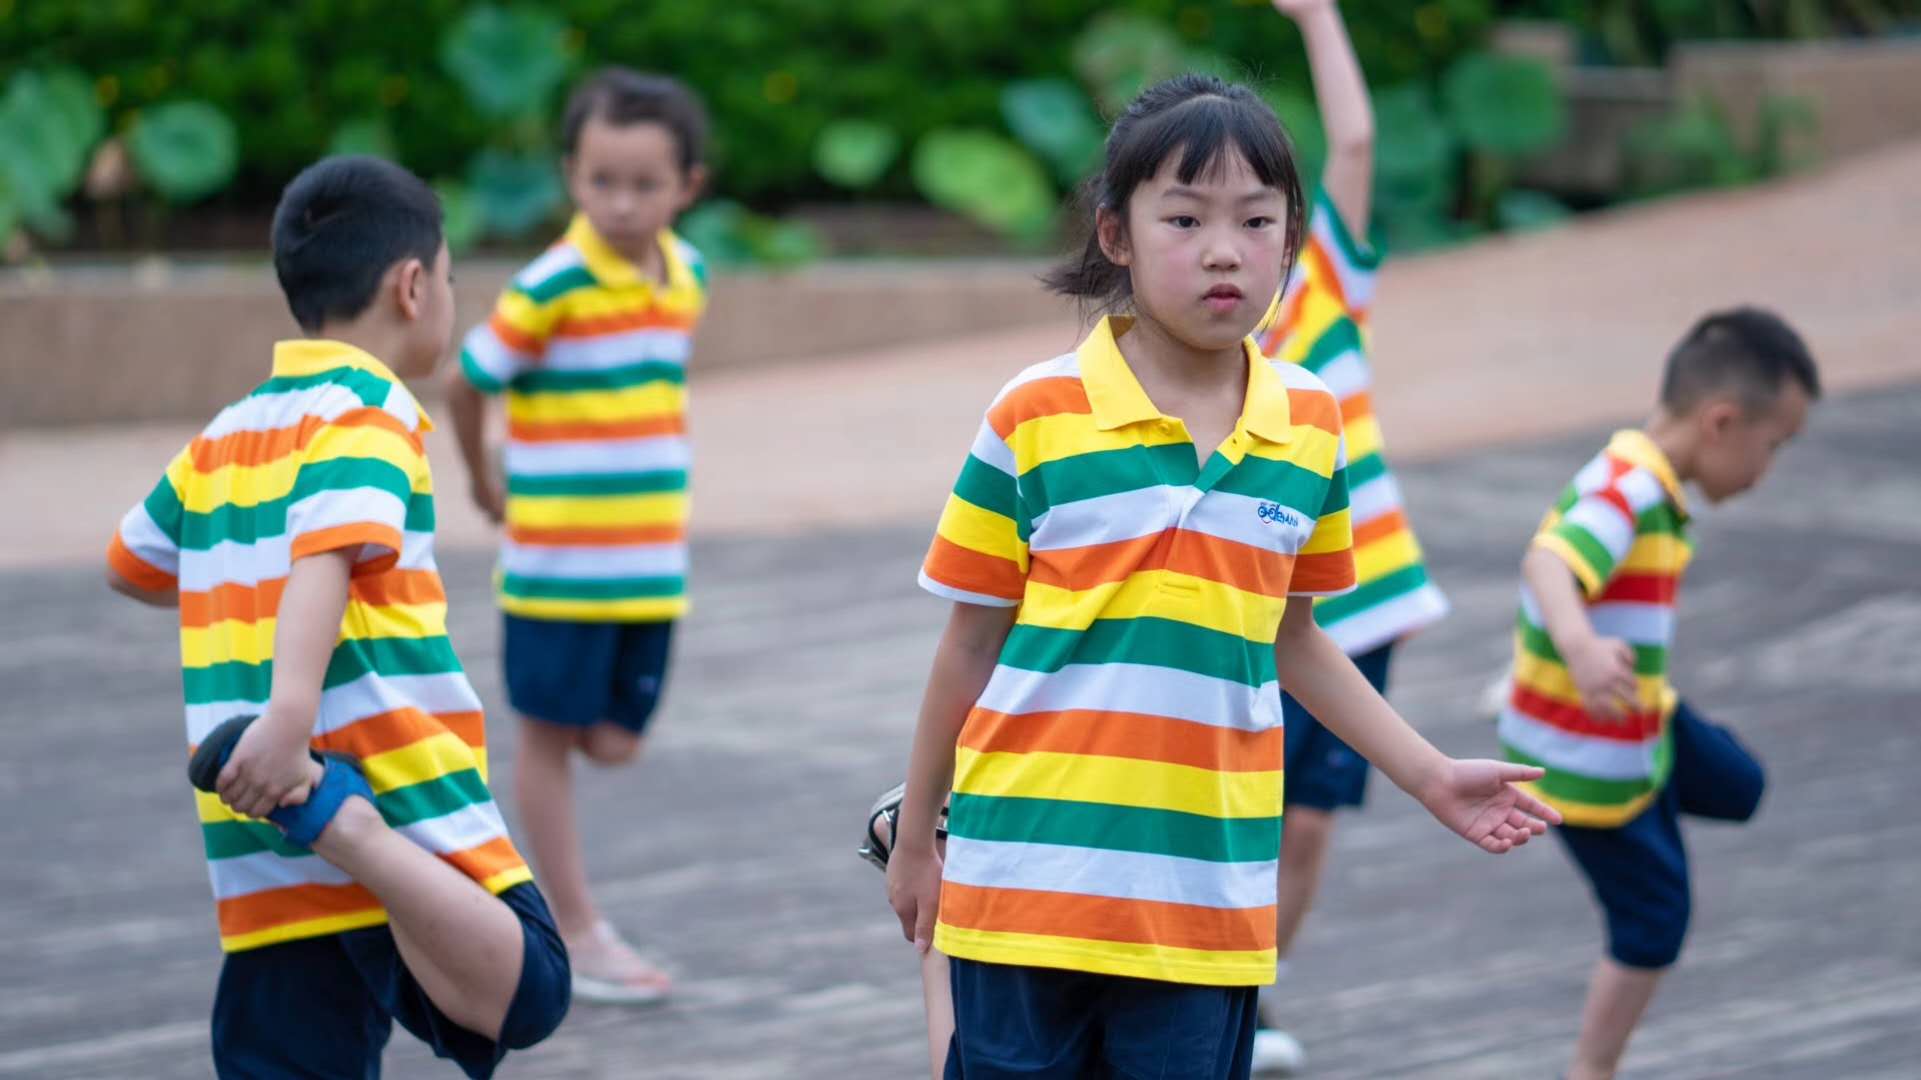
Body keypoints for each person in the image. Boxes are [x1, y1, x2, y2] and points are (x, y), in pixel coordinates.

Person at [886, 71, 1559, 1079]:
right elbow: (968, 644)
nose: (1222, 250)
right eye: (1184, 218)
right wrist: (915, 839)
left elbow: (1294, 638)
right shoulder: (1034, 414)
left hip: (1204, 902)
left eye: (1254, 220)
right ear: (1114, 235)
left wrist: (1429, 777)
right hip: (1023, 880)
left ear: (1289, 243)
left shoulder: (1309, 425)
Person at [105, 155, 570, 1078]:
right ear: (412, 286)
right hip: (376, 783)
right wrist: (288, 726)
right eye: (449, 281)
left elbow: (134, 563)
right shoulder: (368, 413)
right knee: (531, 988)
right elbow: (327, 552)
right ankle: (344, 826)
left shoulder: (229, 430)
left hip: (251, 814)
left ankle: (328, 818)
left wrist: (241, 592)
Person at [1498, 307, 1819, 1080]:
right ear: (1721, 423)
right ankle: (1590, 1069)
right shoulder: (1629, 490)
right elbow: (1547, 562)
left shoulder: (1640, 476)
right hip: (1587, 758)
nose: (1766, 470)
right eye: (1772, 447)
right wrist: (1579, 647)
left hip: (1641, 716)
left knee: (1741, 786)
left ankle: (1663, 786)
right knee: (1656, 918)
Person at [446, 68, 709, 1004]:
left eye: (644, 184)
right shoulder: (550, 284)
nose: (621, 203)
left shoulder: (687, 275)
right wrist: (483, 479)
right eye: (601, 181)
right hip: (556, 570)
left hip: (651, 570)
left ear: (687, 186)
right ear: (570, 176)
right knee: (549, 740)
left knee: (615, 742)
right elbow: (466, 379)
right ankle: (575, 927)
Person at [1246, 1, 1451, 1069]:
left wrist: (1317, 16)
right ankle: (1215, 997)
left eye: (1259, 218)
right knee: (1241, 809)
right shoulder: (1189, 348)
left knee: (1311, 824)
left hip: (1358, 603)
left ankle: (1251, 1001)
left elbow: (1357, 142)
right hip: (1250, 614)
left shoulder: (1325, 290)